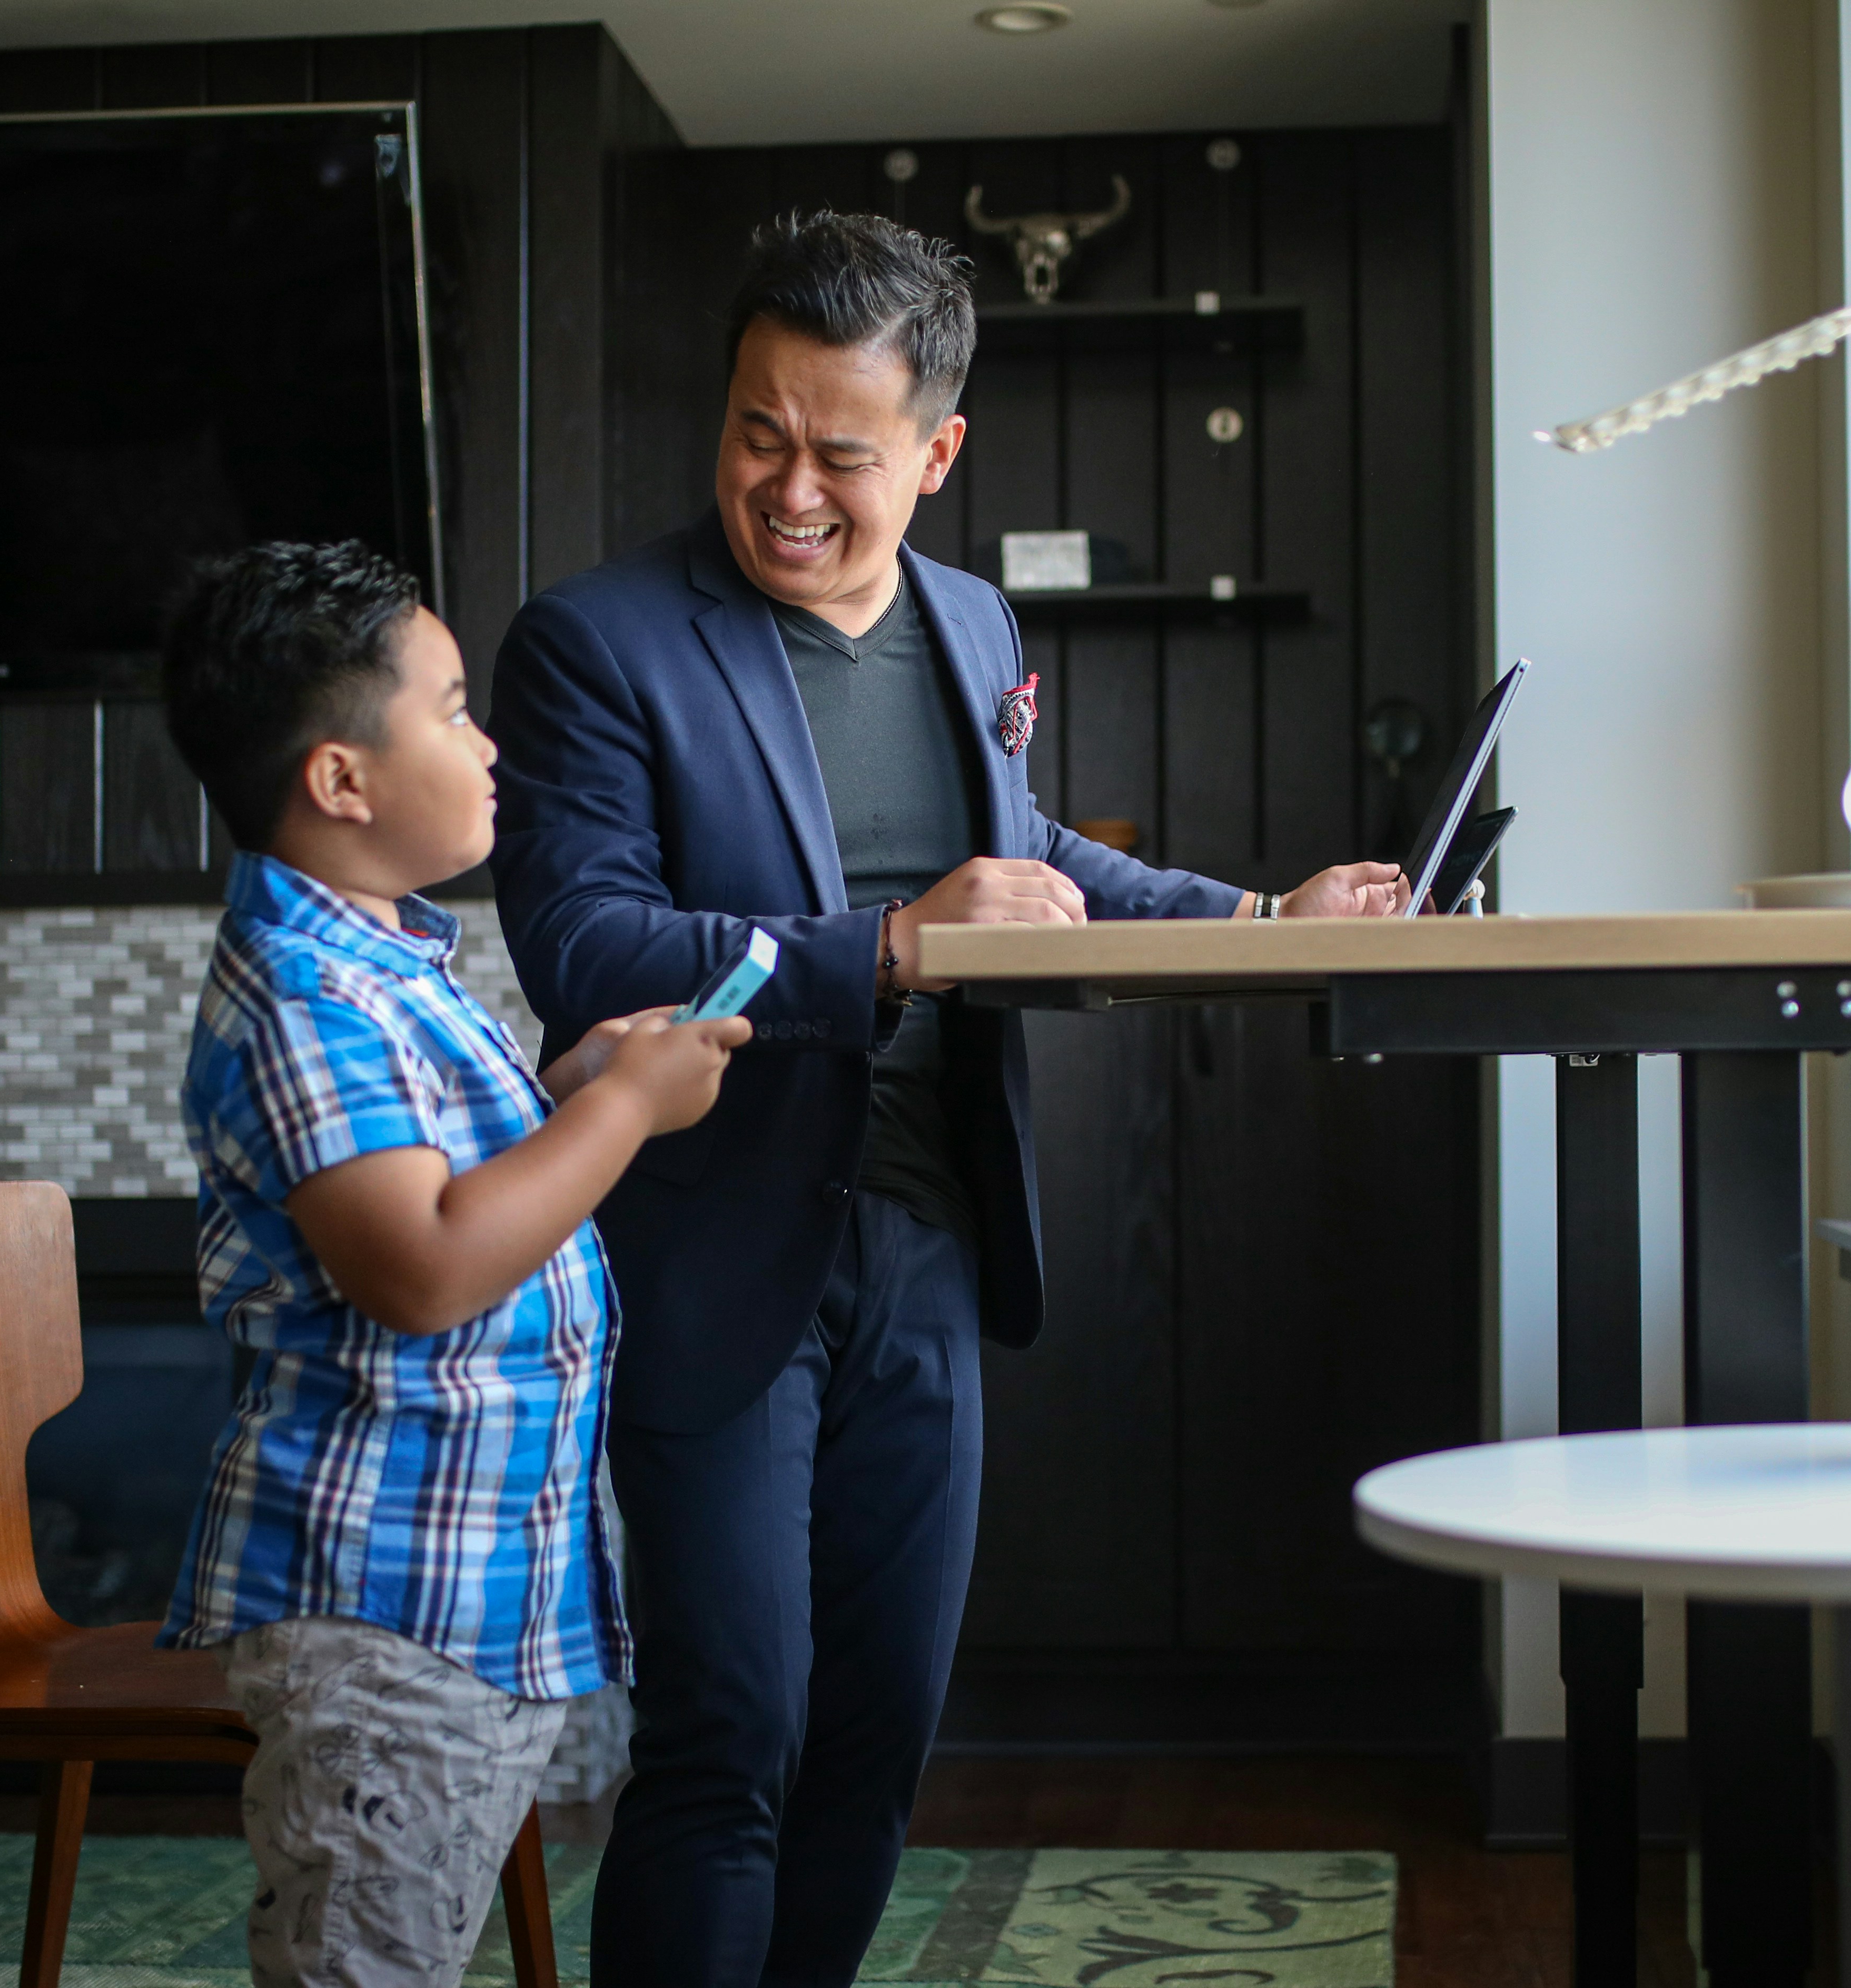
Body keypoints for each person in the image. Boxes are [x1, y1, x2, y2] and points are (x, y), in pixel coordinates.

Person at [489, 212, 1406, 1987]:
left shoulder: (973, 624)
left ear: (937, 451)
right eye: (758, 432)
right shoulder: (597, 641)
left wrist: (1254, 917)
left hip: (929, 1239)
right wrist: (891, 949)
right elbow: (588, 943)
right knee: (732, 1734)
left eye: (842, 452)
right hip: (718, 1246)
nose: (790, 489)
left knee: (878, 1737)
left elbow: (1030, 858)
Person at [151, 540, 751, 1987]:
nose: (490, 749)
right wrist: (622, 1114)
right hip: (381, 1611)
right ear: (342, 781)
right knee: (365, 1964)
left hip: (456, 1593)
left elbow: (441, 1177)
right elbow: (420, 1267)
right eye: (457, 710)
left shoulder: (382, 963)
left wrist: (570, 1091)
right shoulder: (305, 998)